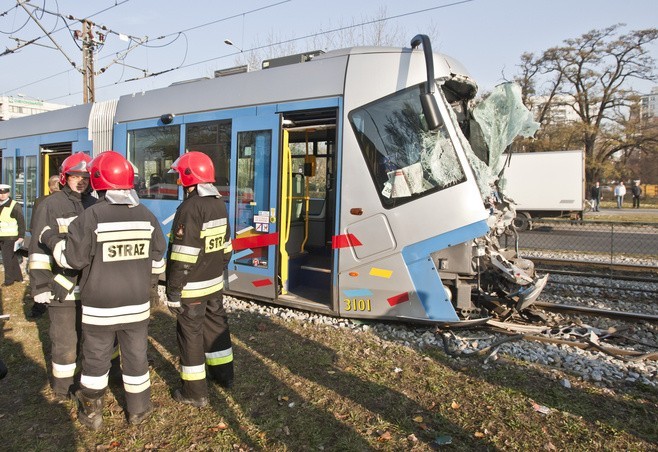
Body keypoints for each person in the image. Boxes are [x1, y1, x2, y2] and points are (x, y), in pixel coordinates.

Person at [42, 151, 166, 429]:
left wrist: (50, 238)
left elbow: (70, 260)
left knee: (95, 360)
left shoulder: (90, 217)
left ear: (98, 180)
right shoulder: (147, 216)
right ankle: (139, 410)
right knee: (136, 356)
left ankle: (92, 414)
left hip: (100, 307)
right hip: (136, 305)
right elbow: (158, 260)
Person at [166, 151, 233, 407]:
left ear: (188, 176)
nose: (177, 181)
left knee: (191, 336)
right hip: (214, 284)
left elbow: (183, 256)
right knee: (217, 329)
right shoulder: (218, 203)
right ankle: (224, 376)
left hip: (192, 289)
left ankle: (195, 393)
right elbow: (226, 248)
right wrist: (215, 270)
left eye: (179, 175)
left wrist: (173, 292)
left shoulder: (190, 208)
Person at [29, 153, 96, 399]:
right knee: (65, 339)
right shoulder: (50, 205)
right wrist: (40, 285)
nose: (81, 181)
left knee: (89, 338)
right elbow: (38, 249)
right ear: (65, 177)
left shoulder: (95, 204)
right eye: (76, 176)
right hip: (60, 286)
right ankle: (63, 387)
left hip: (90, 286)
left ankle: (88, 380)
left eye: (86, 177)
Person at [28, 175, 61, 319]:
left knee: (44, 275)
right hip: (57, 245)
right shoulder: (69, 202)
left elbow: (35, 224)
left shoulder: (40, 201)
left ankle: (39, 308)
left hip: (43, 243)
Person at [0, 184, 26, 287]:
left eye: (4, 193)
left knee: (7, 258)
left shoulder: (14, 205)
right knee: (12, 257)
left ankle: (9, 281)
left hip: (11, 237)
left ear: (8, 193)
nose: (2, 195)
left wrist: (21, 236)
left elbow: (21, 222)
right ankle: (18, 277)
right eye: (0, 193)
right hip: (2, 236)